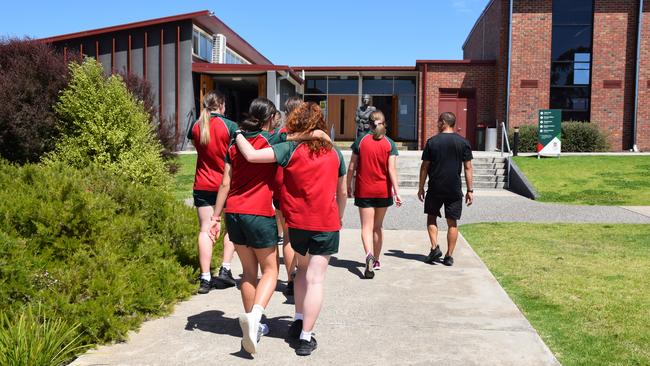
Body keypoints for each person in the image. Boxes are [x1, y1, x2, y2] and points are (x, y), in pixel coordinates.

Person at [234, 102, 347, 357]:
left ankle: (297, 319)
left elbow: (251, 156)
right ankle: (306, 336)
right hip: (326, 223)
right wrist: (338, 217)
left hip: (297, 223)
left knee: (301, 271)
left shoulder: (289, 149)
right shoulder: (334, 152)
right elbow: (343, 192)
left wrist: (237, 133)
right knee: (316, 279)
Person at [210, 98, 282, 355]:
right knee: (271, 269)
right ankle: (255, 318)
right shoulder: (272, 141)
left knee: (248, 273)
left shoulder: (234, 144)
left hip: (235, 213)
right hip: (259, 213)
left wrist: (216, 217)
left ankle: (253, 326)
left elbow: (225, 184)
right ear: (270, 117)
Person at [187, 91, 237, 294]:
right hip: (225, 185)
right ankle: (225, 269)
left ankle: (205, 278)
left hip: (202, 185)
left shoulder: (197, 126)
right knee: (231, 229)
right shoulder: (230, 126)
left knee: (205, 229)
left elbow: (196, 145)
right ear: (222, 105)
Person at [347, 110, 402, 279]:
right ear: (384, 124)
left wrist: (348, 185)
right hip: (382, 191)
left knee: (366, 227)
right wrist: (397, 192)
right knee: (377, 227)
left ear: (368, 124)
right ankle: (376, 260)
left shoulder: (361, 141)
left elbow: (351, 167)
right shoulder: (389, 143)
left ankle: (368, 254)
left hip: (364, 190)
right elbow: (391, 170)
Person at [417, 112, 474, 266]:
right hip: (454, 188)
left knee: (431, 217)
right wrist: (470, 190)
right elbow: (468, 167)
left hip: (435, 187)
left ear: (443, 122)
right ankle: (448, 256)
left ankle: (435, 247)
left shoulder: (432, 142)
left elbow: (424, 167)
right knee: (452, 222)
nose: (437, 124)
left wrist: (421, 187)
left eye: (438, 122)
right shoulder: (463, 142)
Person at [274, 96, 303, 296]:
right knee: (301, 238)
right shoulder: (307, 135)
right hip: (301, 190)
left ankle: (291, 278)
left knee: (287, 238)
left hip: (281, 188)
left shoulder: (279, 135)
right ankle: (300, 276)